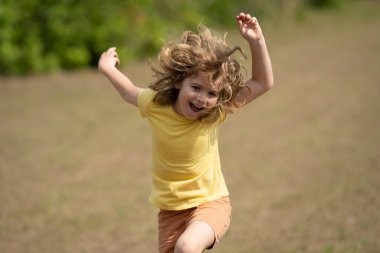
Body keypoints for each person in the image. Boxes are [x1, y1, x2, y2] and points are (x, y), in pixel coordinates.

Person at [98, 12, 273, 253]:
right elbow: (128, 91)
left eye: (211, 93)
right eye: (196, 88)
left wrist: (257, 40)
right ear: (180, 81)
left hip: (210, 203)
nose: (203, 99)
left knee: (187, 247)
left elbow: (263, 83)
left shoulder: (215, 113)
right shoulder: (155, 104)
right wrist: (107, 68)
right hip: (170, 212)